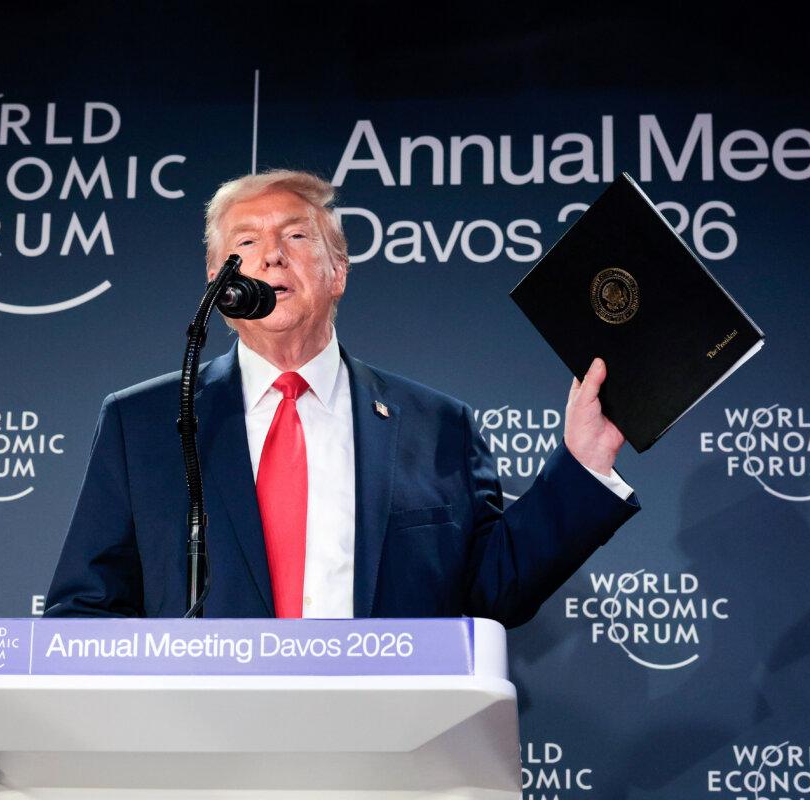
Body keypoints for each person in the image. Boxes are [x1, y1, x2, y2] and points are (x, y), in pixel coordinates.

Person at [44, 170, 639, 627]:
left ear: (338, 273)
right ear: (218, 284)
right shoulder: (143, 425)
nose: (271, 254)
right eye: (245, 242)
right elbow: (86, 611)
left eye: (296, 236)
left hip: (383, 758)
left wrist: (584, 464)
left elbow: (492, 591)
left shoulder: (438, 429)